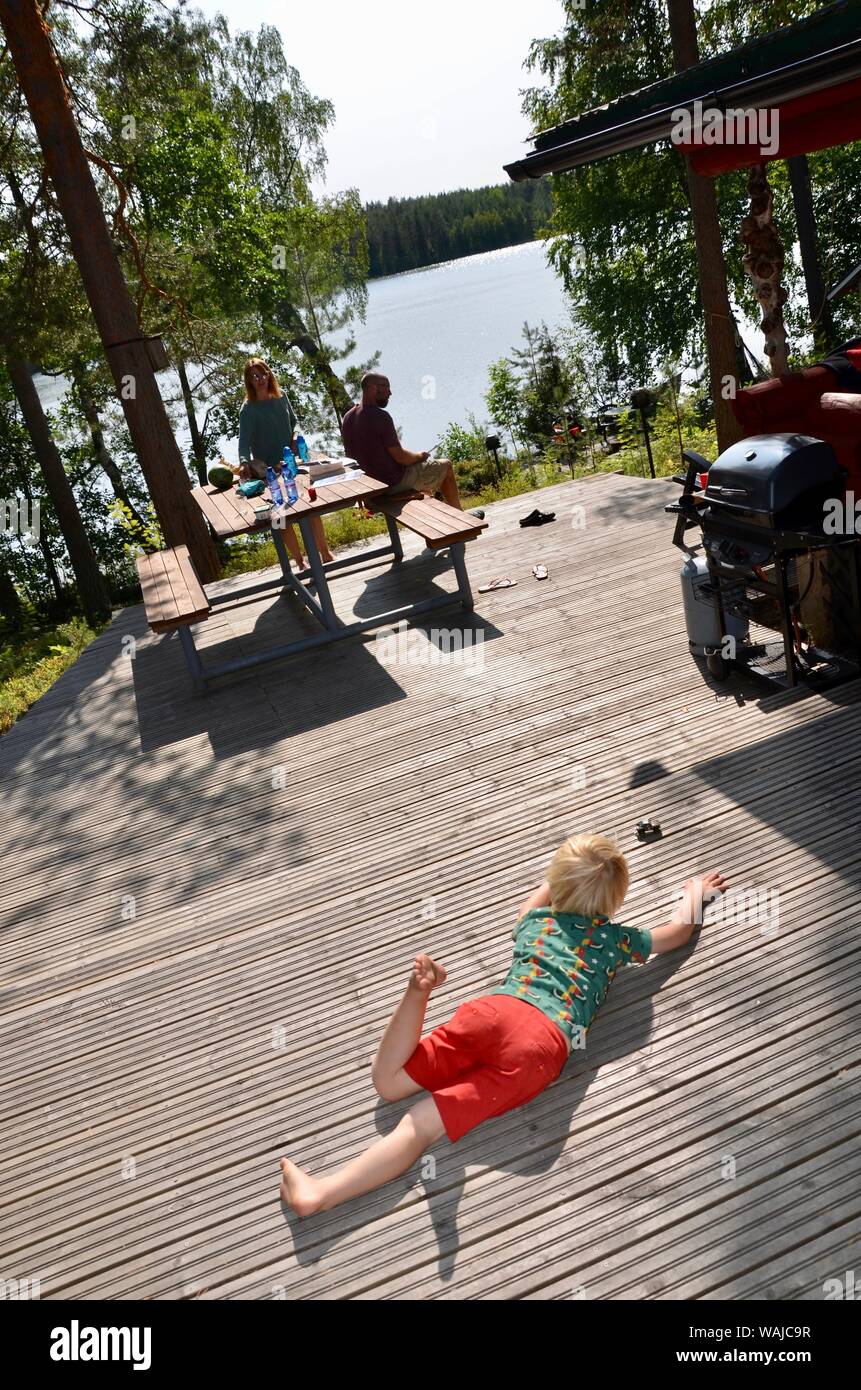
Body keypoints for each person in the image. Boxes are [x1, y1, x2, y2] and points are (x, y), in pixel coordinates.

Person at [279, 834, 727, 1215]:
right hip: (539, 1043)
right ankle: (321, 1194)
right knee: (418, 1124)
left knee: (390, 1084)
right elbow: (676, 935)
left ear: (555, 886)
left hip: (493, 1011)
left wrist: (563, 879)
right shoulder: (616, 940)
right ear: (615, 901)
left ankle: (417, 995)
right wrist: (694, 894)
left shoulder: (534, 923)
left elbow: (539, 895)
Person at [237, 359, 334, 569]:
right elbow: (243, 442)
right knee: (280, 517)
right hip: (269, 471)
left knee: (310, 508)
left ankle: (325, 553)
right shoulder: (248, 409)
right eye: (254, 376)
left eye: (263, 374)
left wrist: (295, 434)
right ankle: (299, 561)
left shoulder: (281, 397)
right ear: (249, 382)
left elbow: (294, 422)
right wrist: (244, 463)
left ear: (269, 375)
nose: (260, 379)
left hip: (291, 463)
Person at [341, 372, 470, 509]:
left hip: (369, 488)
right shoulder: (380, 416)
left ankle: (442, 520)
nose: (390, 393)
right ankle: (461, 516)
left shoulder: (348, 418)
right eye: (387, 387)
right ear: (373, 388)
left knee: (423, 482)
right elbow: (401, 457)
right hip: (391, 485)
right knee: (446, 466)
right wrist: (420, 456)